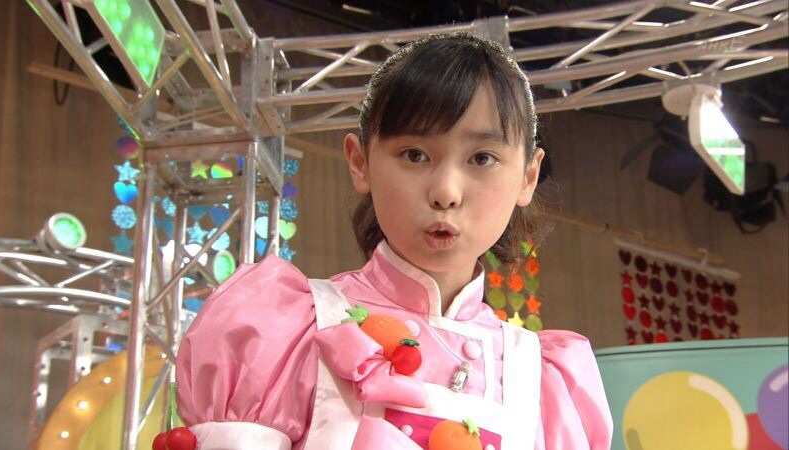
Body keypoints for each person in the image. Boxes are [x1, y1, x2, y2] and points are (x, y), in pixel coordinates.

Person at [176, 32, 613, 450]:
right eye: (415, 155)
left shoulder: (543, 380)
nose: (446, 192)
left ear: (528, 177)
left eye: (482, 158)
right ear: (360, 162)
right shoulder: (287, 333)